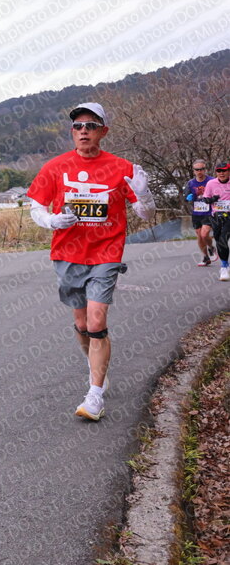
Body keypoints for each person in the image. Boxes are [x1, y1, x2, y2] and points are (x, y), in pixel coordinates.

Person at [27, 102, 155, 422]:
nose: (83, 131)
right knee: (82, 324)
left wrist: (145, 194)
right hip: (67, 254)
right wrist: (52, 220)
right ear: (72, 132)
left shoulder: (122, 167)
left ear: (103, 131)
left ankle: (94, 395)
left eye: (91, 125)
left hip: (106, 253)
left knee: (97, 322)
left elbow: (145, 214)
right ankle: (95, 366)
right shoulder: (56, 167)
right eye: (78, 126)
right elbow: (36, 206)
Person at [201, 162, 230, 281]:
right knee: (218, 240)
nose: (221, 173)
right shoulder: (211, 183)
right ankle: (225, 264)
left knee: (223, 239)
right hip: (216, 216)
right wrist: (212, 199)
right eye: (219, 171)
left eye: (224, 170)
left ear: (228, 171)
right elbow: (205, 199)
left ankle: (224, 267)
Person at [185, 159, 216, 266]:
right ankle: (205, 257)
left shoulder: (212, 181)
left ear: (205, 169)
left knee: (204, 234)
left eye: (201, 169)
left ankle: (211, 247)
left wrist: (212, 199)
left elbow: (219, 194)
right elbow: (185, 196)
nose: (199, 171)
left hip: (209, 212)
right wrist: (188, 197)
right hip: (196, 212)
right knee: (199, 236)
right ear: (194, 171)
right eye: (197, 169)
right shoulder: (190, 183)